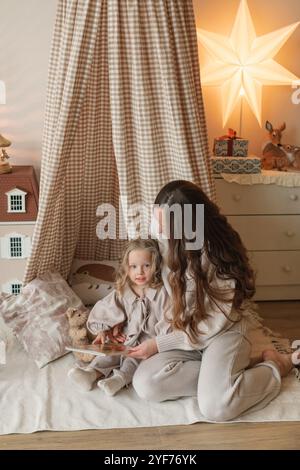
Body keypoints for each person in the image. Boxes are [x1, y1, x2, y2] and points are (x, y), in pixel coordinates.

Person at [126, 180, 293, 421]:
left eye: (165, 223)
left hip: (222, 330)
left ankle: (276, 366)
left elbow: (214, 323)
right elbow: (137, 280)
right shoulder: (162, 244)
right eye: (156, 217)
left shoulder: (218, 256)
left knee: (217, 407)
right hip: (187, 332)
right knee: (146, 384)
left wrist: (159, 344)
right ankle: (223, 378)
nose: (157, 228)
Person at [68, 238, 172, 396]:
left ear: (156, 266)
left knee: (133, 360)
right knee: (109, 354)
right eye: (134, 267)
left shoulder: (162, 293)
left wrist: (157, 343)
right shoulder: (124, 291)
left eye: (146, 266)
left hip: (148, 343)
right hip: (126, 338)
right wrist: (103, 330)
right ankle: (90, 374)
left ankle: (119, 380)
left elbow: (168, 322)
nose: (140, 272)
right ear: (127, 269)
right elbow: (104, 310)